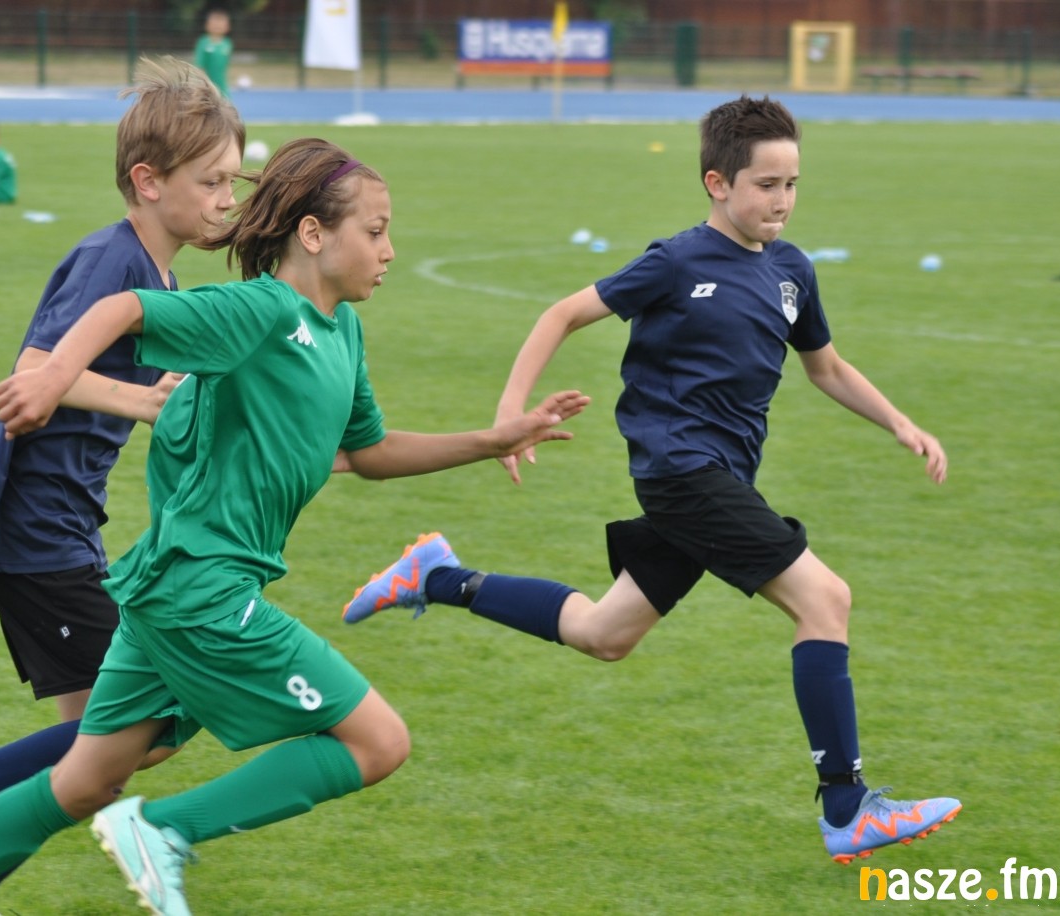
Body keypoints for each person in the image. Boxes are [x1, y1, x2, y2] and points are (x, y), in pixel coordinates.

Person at [0, 137, 588, 916]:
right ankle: (163, 830)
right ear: (313, 234)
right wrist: (49, 380)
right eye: (375, 231)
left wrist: (493, 439)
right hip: (203, 592)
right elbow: (123, 308)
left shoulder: (342, 332)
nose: (389, 251)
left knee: (83, 782)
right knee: (378, 742)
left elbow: (368, 453)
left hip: (170, 592)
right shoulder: (263, 311)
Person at [342, 95, 962, 866]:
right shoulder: (676, 261)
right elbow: (561, 315)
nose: (782, 201)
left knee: (603, 635)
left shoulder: (792, 271)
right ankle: (847, 806)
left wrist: (899, 421)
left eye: (792, 184)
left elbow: (826, 368)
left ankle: (437, 577)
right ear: (717, 183)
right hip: (681, 472)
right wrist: (509, 417)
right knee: (825, 598)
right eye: (766, 185)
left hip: (721, 479)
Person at [0, 58, 244, 915]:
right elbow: (37, 368)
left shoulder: (160, 278)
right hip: (34, 532)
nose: (226, 198)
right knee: (142, 727)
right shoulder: (112, 261)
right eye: (211, 181)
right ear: (148, 182)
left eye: (234, 180)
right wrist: (141, 401)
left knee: (99, 757)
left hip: (59, 529)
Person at [193, 8, 233, 97]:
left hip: (221, 83)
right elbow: (200, 63)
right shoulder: (203, 42)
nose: (217, 27)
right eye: (214, 24)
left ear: (227, 27)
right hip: (206, 83)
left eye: (220, 25)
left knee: (224, 101)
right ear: (207, 26)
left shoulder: (227, 43)